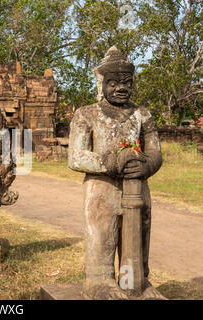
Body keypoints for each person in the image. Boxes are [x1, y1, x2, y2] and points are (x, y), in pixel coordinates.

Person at [68, 46, 164, 299]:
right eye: (114, 83)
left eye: (127, 83)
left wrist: (146, 165)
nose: (121, 88)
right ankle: (99, 280)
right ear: (101, 83)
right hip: (102, 186)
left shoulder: (142, 114)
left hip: (137, 183)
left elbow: (155, 153)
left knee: (139, 234)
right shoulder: (86, 113)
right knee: (103, 232)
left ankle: (137, 281)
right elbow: (76, 157)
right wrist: (111, 162)